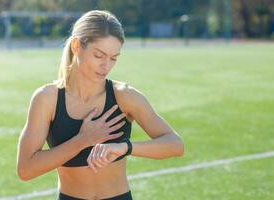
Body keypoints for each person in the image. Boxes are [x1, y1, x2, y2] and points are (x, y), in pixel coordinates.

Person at [17, 10, 184, 200]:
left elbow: (175, 145)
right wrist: (82, 140)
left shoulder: (124, 96)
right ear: (76, 46)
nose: (106, 66)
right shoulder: (47, 99)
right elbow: (25, 169)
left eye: (113, 58)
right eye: (99, 56)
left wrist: (125, 147)